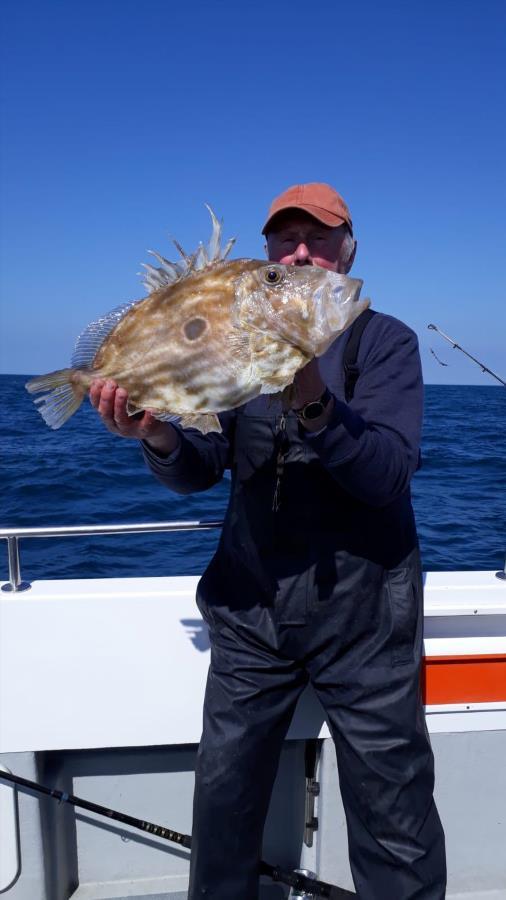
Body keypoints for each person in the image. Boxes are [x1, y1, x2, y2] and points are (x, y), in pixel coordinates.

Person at [90, 183, 447, 899]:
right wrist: (157, 431)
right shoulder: (239, 341)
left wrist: (311, 394)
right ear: (268, 257)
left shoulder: (387, 343)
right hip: (251, 609)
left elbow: (386, 475)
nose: (303, 251)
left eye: (319, 238)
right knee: (222, 804)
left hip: (367, 617)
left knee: (394, 812)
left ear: (348, 249)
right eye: (286, 242)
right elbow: (201, 469)